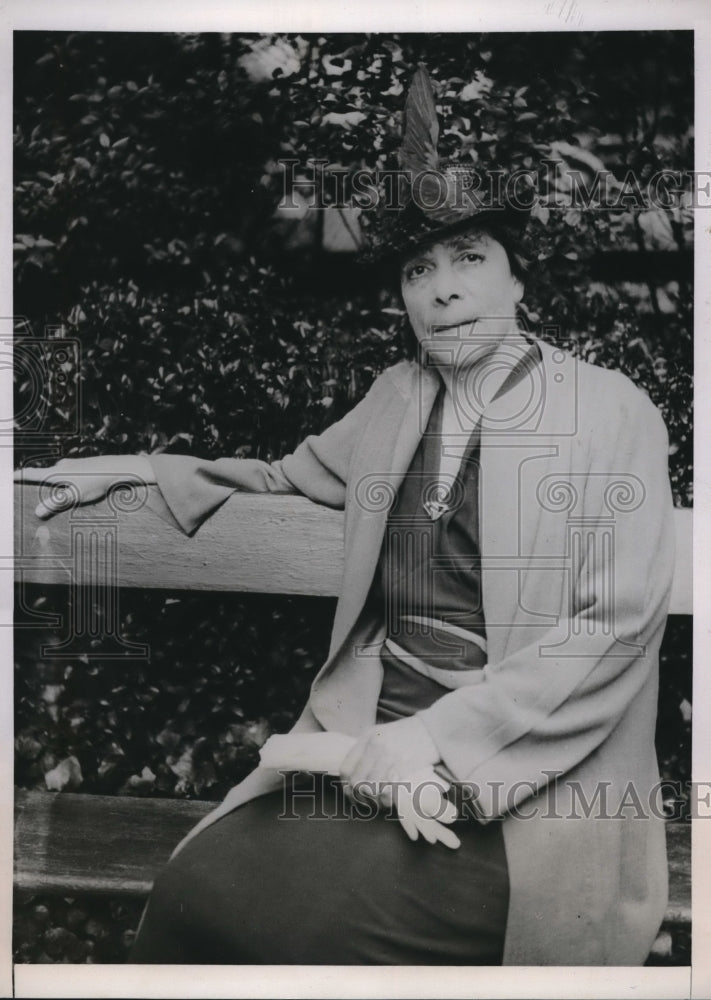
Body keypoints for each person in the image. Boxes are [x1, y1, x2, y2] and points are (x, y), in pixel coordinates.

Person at [16, 68, 675, 966]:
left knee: (312, 926)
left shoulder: (608, 410)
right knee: (196, 888)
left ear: (520, 280)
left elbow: (613, 624)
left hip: (525, 783)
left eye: (469, 259)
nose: (441, 290)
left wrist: (434, 743)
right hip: (360, 748)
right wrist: (133, 468)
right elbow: (283, 478)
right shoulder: (395, 398)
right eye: (417, 269)